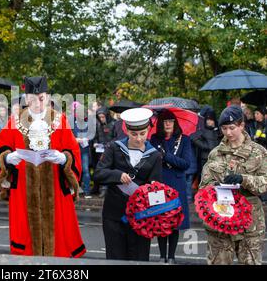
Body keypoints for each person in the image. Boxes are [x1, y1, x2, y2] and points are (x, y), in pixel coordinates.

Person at [0, 76, 86, 257]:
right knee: (25, 238)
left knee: (59, 238)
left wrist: (63, 158)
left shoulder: (60, 120)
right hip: (23, 191)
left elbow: (73, 150)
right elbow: (1, 146)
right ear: (26, 98)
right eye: (32, 97)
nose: (37, 101)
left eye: (41, 97)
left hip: (55, 189)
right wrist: (8, 158)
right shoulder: (15, 121)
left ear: (48, 96)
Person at [199, 105, 267, 265]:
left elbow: (264, 183)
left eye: (232, 128)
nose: (228, 133)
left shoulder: (259, 152)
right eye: (224, 128)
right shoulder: (215, 153)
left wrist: (243, 179)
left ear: (242, 125)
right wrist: (215, 186)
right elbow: (203, 187)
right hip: (220, 221)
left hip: (250, 223)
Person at [95, 108, 162, 261]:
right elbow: (99, 173)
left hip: (141, 217)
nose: (139, 138)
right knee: (115, 257)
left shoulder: (155, 155)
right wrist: (117, 175)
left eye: (143, 134)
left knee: (139, 257)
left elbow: (156, 188)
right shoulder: (114, 147)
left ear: (148, 130)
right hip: (114, 215)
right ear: (126, 130)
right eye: (134, 134)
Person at [150, 109, 192, 264]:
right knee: (161, 221)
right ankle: (162, 256)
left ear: (175, 123)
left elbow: (185, 164)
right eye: (165, 121)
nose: (168, 124)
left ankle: (172, 257)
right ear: (160, 124)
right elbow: (151, 161)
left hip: (177, 184)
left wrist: (166, 156)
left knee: (174, 222)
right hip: (160, 183)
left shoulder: (184, 140)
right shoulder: (154, 139)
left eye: (171, 121)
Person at [192, 106, 221, 186]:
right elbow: (193, 138)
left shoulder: (218, 131)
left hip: (216, 159)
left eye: (211, 120)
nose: (209, 122)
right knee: (204, 180)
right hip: (204, 159)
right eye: (208, 120)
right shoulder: (202, 130)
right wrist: (205, 146)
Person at [91, 107, 116, 197]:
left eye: (103, 117)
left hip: (109, 150)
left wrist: (108, 145)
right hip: (99, 150)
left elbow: (116, 137)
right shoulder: (98, 124)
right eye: (100, 117)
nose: (101, 119)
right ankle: (96, 187)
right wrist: (95, 143)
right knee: (98, 168)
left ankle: (105, 189)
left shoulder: (114, 123)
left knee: (107, 169)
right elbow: (95, 136)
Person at [71, 101, 93, 198]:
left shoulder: (88, 122)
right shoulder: (72, 122)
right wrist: (76, 139)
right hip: (74, 149)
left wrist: (86, 138)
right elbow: (69, 134)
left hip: (84, 149)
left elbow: (92, 134)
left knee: (85, 169)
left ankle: (87, 191)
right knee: (74, 169)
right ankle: (75, 189)